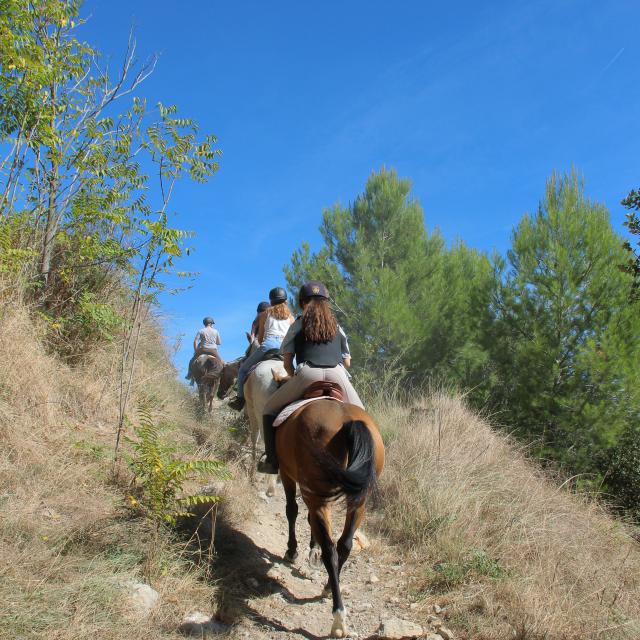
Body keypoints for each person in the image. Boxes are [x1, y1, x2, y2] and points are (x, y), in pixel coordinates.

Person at [257, 280, 363, 474]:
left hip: (308, 373)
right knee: (362, 416)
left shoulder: (297, 323)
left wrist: (293, 376)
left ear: (302, 302)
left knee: (269, 408)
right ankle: (363, 463)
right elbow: (347, 362)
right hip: (338, 374)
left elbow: (287, 361)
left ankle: (272, 461)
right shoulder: (337, 325)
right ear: (326, 302)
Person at [228, 287, 294, 411]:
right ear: (285, 301)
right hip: (285, 348)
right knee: (297, 372)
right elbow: (292, 336)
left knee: (242, 370)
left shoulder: (264, 314)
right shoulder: (291, 317)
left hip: (268, 345)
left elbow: (261, 337)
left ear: (271, 301)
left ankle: (239, 400)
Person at [185, 317, 222, 383]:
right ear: (211, 323)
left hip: (202, 349)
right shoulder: (215, 331)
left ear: (205, 323)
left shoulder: (201, 331)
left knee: (192, 360)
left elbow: (195, 341)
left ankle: (189, 374)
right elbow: (219, 343)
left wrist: (196, 350)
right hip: (213, 350)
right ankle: (222, 375)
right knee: (221, 363)